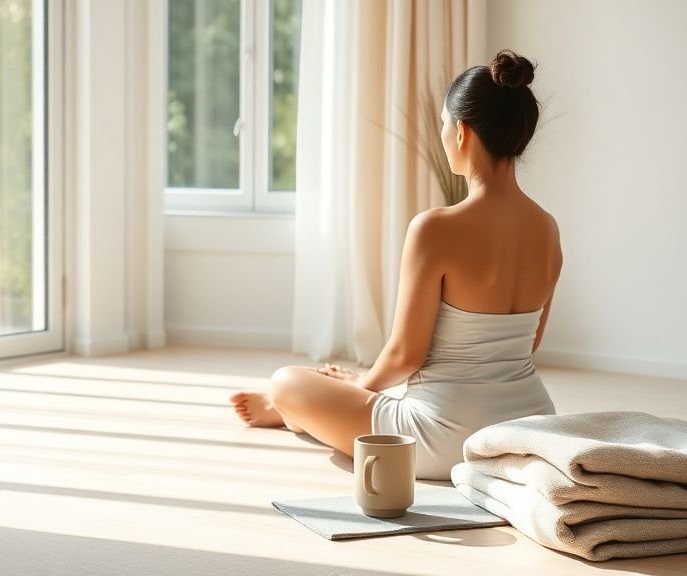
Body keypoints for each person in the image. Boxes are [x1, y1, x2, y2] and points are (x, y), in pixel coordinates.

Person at [229, 50, 560, 480]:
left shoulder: (435, 228)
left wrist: (357, 388)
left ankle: (292, 410)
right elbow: (528, 344)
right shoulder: (547, 229)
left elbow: (406, 355)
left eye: (443, 124)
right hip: (529, 432)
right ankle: (314, 408)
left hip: (441, 441)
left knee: (286, 382)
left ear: (461, 132)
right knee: (343, 386)